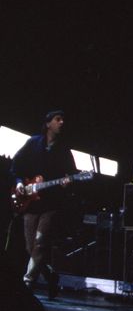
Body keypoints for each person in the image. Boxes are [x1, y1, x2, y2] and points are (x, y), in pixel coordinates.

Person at [10, 110, 77, 299]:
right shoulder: (33, 143)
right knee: (30, 248)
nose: (62, 122)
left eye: (63, 119)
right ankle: (51, 276)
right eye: (58, 119)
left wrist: (67, 181)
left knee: (40, 244)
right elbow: (15, 165)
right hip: (30, 203)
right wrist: (19, 183)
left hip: (51, 204)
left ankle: (27, 283)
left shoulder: (64, 149)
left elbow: (70, 174)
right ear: (48, 123)